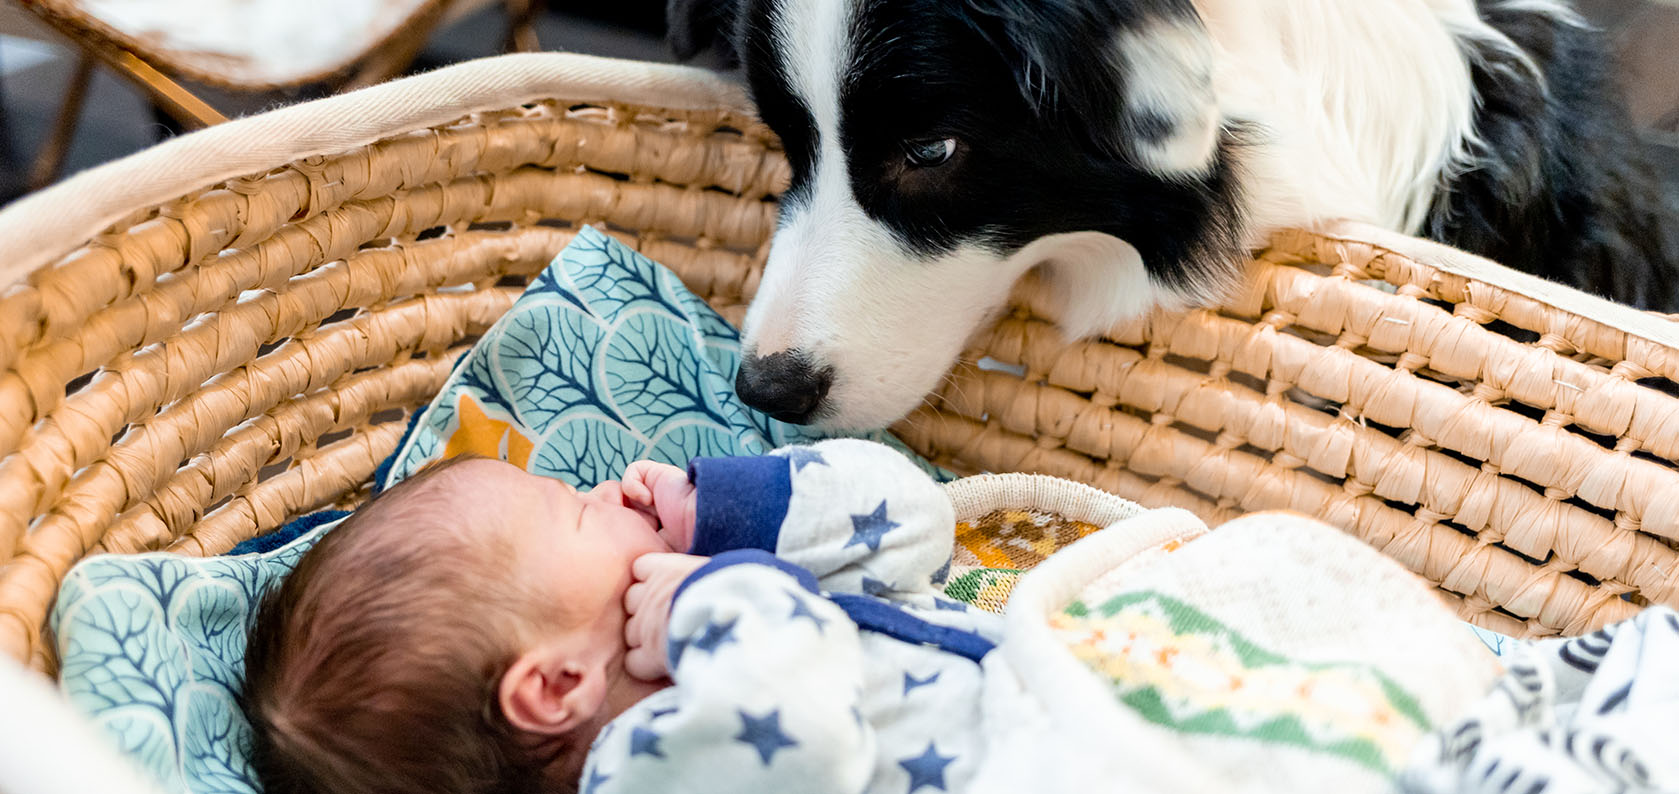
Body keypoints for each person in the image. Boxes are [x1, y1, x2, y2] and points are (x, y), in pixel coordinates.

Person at [241, 438, 996, 794]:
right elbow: (810, 742)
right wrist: (716, 597)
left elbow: (915, 527)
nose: (605, 490)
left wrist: (729, 510)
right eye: (574, 509)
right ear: (556, 685)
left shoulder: (729, 600)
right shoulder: (648, 767)